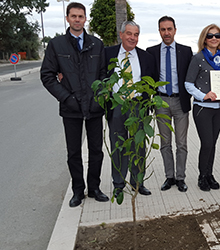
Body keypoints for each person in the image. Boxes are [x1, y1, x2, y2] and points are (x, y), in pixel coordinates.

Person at [40, 2, 109, 207]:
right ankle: (78, 191)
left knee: (96, 150)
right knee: (73, 153)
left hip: (95, 108)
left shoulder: (97, 44)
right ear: (67, 18)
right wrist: (67, 98)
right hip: (71, 108)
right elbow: (47, 75)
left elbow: (104, 74)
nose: (77, 19)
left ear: (85, 19)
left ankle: (94, 188)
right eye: (74, 16)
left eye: (81, 16)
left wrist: (99, 97)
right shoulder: (57, 45)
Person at [104, 21, 155, 197]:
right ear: (121, 34)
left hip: (137, 107)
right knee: (118, 145)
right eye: (129, 34)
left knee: (138, 146)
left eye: (136, 34)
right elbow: (100, 75)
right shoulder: (107, 54)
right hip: (117, 105)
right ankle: (118, 184)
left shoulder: (146, 57)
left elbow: (152, 82)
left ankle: (137, 183)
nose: (132, 38)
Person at [146, 16, 193, 192]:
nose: (166, 32)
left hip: (180, 101)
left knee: (181, 143)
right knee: (165, 143)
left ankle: (181, 177)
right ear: (159, 31)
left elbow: (192, 76)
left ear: (175, 29)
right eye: (163, 29)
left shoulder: (186, 51)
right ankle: (169, 177)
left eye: (169, 29)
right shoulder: (151, 51)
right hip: (161, 101)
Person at [185, 24, 220, 191]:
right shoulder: (197, 59)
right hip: (203, 107)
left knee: (213, 143)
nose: (214, 38)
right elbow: (188, 84)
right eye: (210, 36)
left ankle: (210, 175)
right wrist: (203, 95)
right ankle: (202, 176)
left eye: (217, 35)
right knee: (207, 143)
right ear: (204, 38)